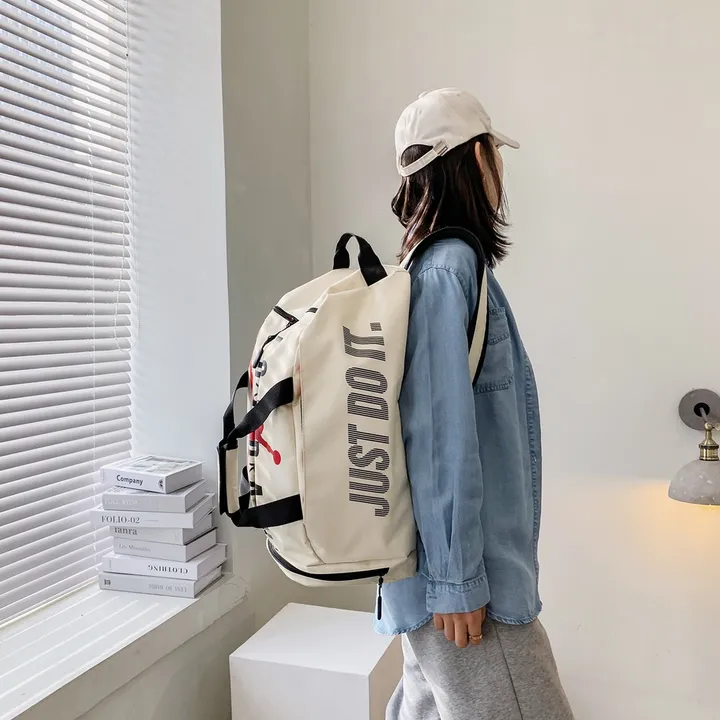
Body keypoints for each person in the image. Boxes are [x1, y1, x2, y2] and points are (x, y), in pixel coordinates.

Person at [379, 88, 574, 720]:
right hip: (465, 594)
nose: (501, 170)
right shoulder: (448, 269)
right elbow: (439, 436)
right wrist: (458, 582)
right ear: (476, 159)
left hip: (440, 581)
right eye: (494, 152)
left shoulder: (436, 264)